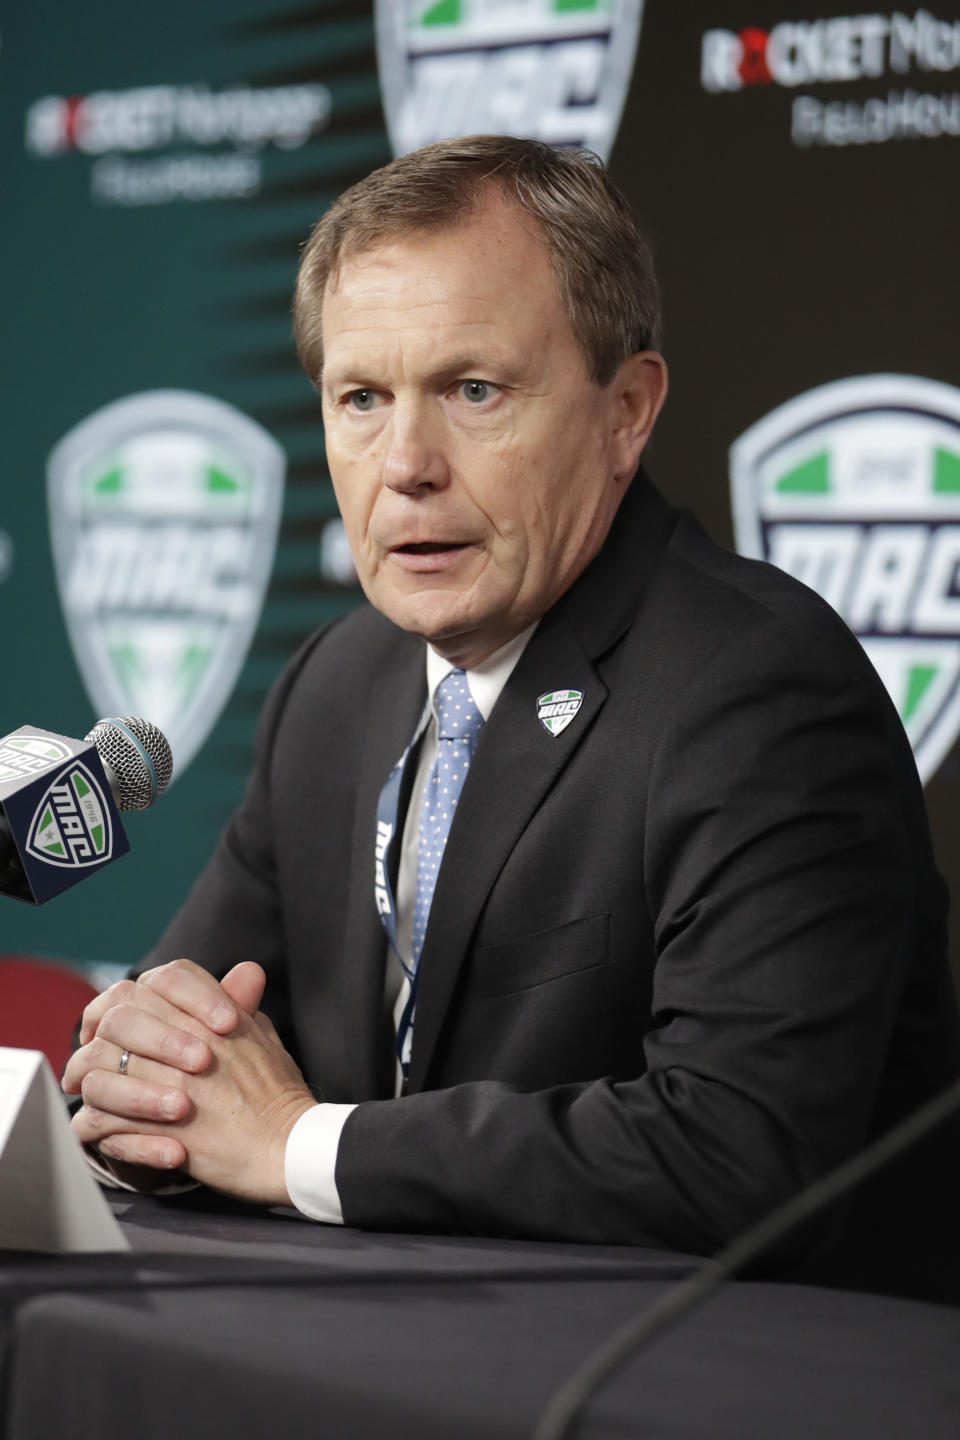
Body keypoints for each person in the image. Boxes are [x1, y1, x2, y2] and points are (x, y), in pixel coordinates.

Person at [63, 135, 960, 1293]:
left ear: (628, 409)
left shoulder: (757, 692)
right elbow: (164, 1050)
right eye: (361, 399)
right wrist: (138, 1071)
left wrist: (293, 1144)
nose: (406, 465)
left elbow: (738, 1154)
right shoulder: (337, 687)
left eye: (473, 391)